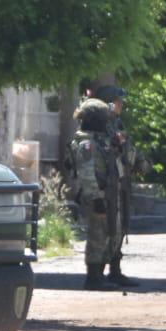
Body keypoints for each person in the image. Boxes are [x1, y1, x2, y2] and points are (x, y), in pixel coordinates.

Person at [92, 84, 149, 287]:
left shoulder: (117, 124)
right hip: (105, 183)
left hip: (120, 180)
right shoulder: (98, 125)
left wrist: (139, 161)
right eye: (117, 100)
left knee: (120, 226)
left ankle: (114, 270)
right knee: (104, 230)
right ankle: (95, 275)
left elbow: (127, 146)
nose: (121, 104)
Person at [69, 97, 119, 290]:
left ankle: (100, 274)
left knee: (106, 234)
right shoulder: (86, 143)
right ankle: (93, 277)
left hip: (104, 193)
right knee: (97, 235)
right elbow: (87, 174)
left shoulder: (97, 140)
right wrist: (96, 198)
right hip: (95, 195)